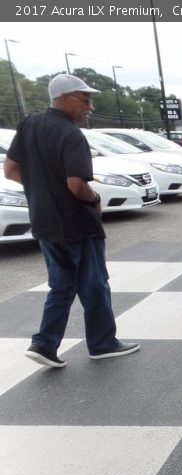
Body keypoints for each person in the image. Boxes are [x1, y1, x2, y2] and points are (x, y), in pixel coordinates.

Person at [3, 74, 140, 368]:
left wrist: (41, 188)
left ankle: (44, 344)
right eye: (85, 99)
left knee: (61, 285)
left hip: (44, 223)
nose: (90, 106)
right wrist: (94, 200)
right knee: (94, 284)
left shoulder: (28, 126)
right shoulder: (70, 134)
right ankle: (102, 344)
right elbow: (76, 185)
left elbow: (11, 169)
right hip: (77, 223)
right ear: (64, 98)